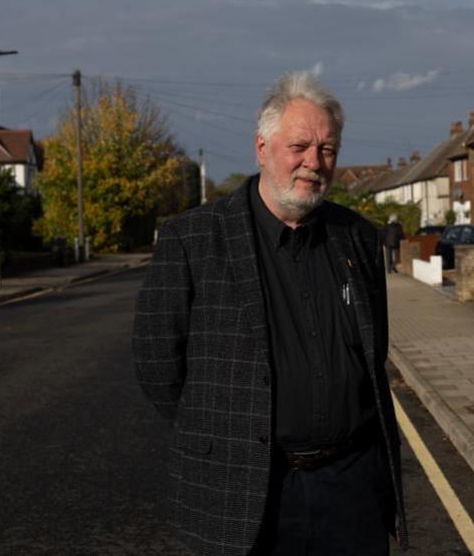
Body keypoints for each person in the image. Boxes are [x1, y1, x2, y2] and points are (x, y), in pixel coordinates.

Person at [132, 72, 406, 556]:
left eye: (327, 149)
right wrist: (227, 431)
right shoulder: (193, 239)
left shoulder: (358, 238)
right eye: (299, 145)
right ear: (261, 148)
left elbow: (372, 350)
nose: (313, 163)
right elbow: (158, 364)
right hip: (246, 487)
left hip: (352, 489)